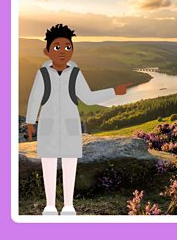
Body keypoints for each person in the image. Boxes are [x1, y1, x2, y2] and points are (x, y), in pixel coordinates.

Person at [25, 24, 131, 215]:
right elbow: (34, 98)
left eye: (68, 46)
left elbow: (88, 97)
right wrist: (31, 121)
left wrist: (114, 91)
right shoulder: (42, 75)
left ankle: (68, 205)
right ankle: (50, 205)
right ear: (46, 51)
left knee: (69, 165)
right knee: (48, 165)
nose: (63, 51)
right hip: (48, 125)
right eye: (57, 47)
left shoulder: (75, 74)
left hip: (70, 126)